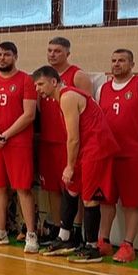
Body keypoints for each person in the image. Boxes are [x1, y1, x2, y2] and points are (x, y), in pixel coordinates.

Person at [33, 65, 119, 263]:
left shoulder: (68, 97)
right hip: (84, 149)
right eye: (36, 85)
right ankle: (65, 238)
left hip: (96, 150)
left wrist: (70, 165)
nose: (37, 89)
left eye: (41, 84)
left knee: (89, 198)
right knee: (70, 189)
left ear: (53, 82)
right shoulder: (62, 98)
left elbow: (73, 138)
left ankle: (92, 247)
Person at [95, 49, 138, 262]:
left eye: (122, 60)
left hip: (134, 155)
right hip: (108, 155)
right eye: (114, 60)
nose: (117, 64)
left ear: (132, 64)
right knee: (105, 200)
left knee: (132, 203)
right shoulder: (102, 89)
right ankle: (103, 241)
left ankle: (128, 245)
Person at [0, 42, 39, 252]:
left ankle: (31, 234)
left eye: (6, 54)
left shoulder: (25, 80)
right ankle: (0, 232)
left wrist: (5, 135)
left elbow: (29, 114)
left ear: (15, 56)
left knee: (23, 188)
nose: (2, 58)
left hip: (17, 144)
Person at [38, 37, 93, 244]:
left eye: (57, 51)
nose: (52, 54)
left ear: (68, 53)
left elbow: (87, 109)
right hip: (48, 140)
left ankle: (75, 229)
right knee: (52, 187)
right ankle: (58, 228)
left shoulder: (77, 76)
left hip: (70, 141)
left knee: (72, 187)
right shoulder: (43, 77)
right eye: (49, 50)